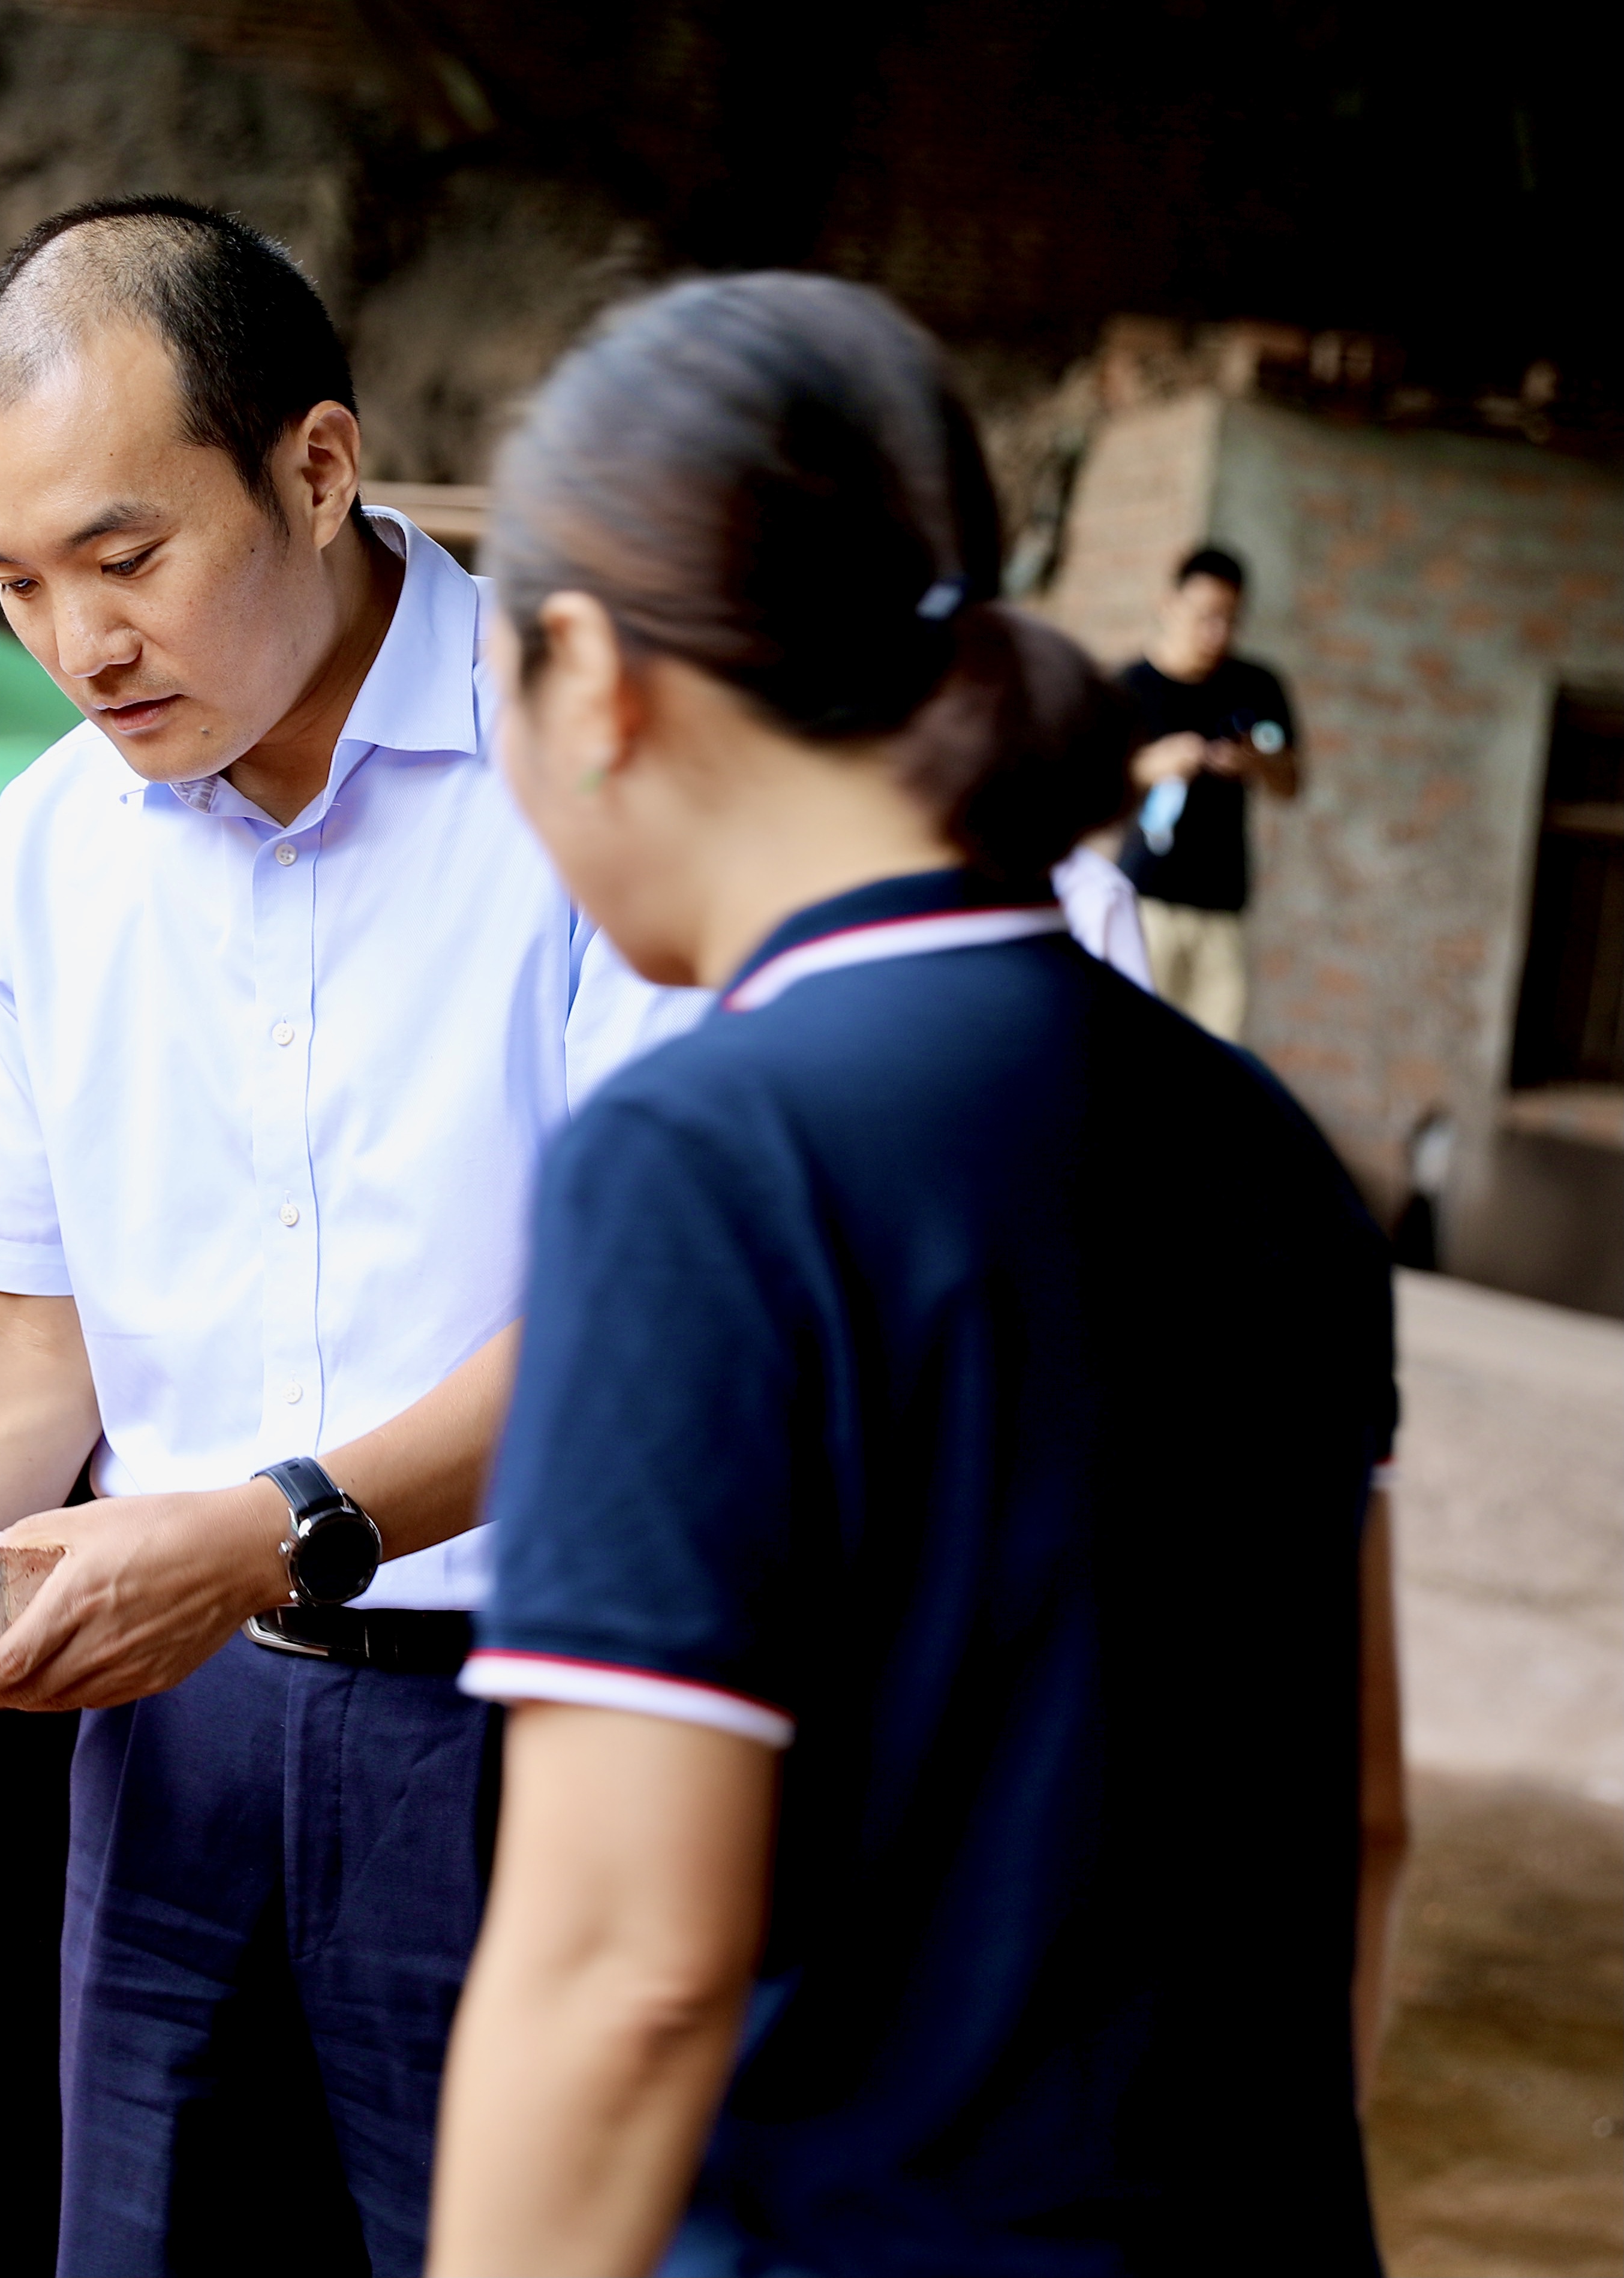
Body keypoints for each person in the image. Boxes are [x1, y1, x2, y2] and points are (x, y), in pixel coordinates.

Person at [0, 195, 691, 2276]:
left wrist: (267, 1527)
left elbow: (658, 1333)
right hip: (168, 1737)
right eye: (11, 580)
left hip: (525, 1724)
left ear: (316, 470)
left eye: (125, 554)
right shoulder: (49, 848)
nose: (76, 643)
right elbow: (22, 1353)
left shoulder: (592, 775)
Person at [428, 275, 1408, 2277]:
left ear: (588, 672)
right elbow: (1361, 1823)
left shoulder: (701, 1160)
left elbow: (620, 1970)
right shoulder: (1266, 1150)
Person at [1115, 544, 1302, 1037]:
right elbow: (1084, 789)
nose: (1216, 634)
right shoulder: (1129, 687)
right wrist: (1148, 767)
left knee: (1215, 1058)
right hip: (1145, 898)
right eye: (1205, 617)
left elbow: (1291, 784)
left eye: (1229, 619)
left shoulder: (1256, 685)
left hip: (1222, 902)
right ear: (1169, 605)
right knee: (1134, 1045)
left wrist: (1259, 763)